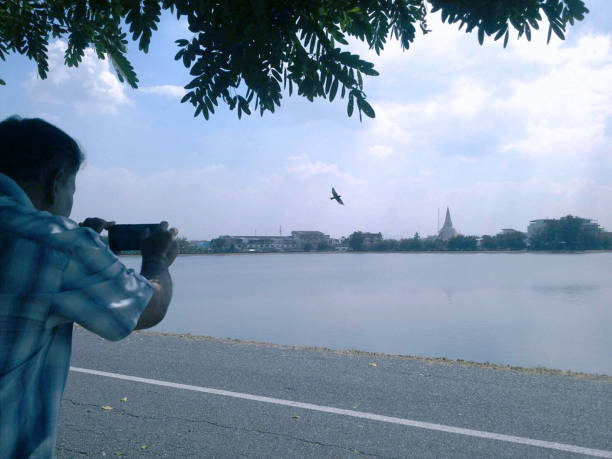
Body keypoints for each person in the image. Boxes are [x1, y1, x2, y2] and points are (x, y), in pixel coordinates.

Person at [0, 116, 178, 458]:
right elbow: (146, 307)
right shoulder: (56, 244)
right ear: (57, 182)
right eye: (72, 191)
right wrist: (157, 260)